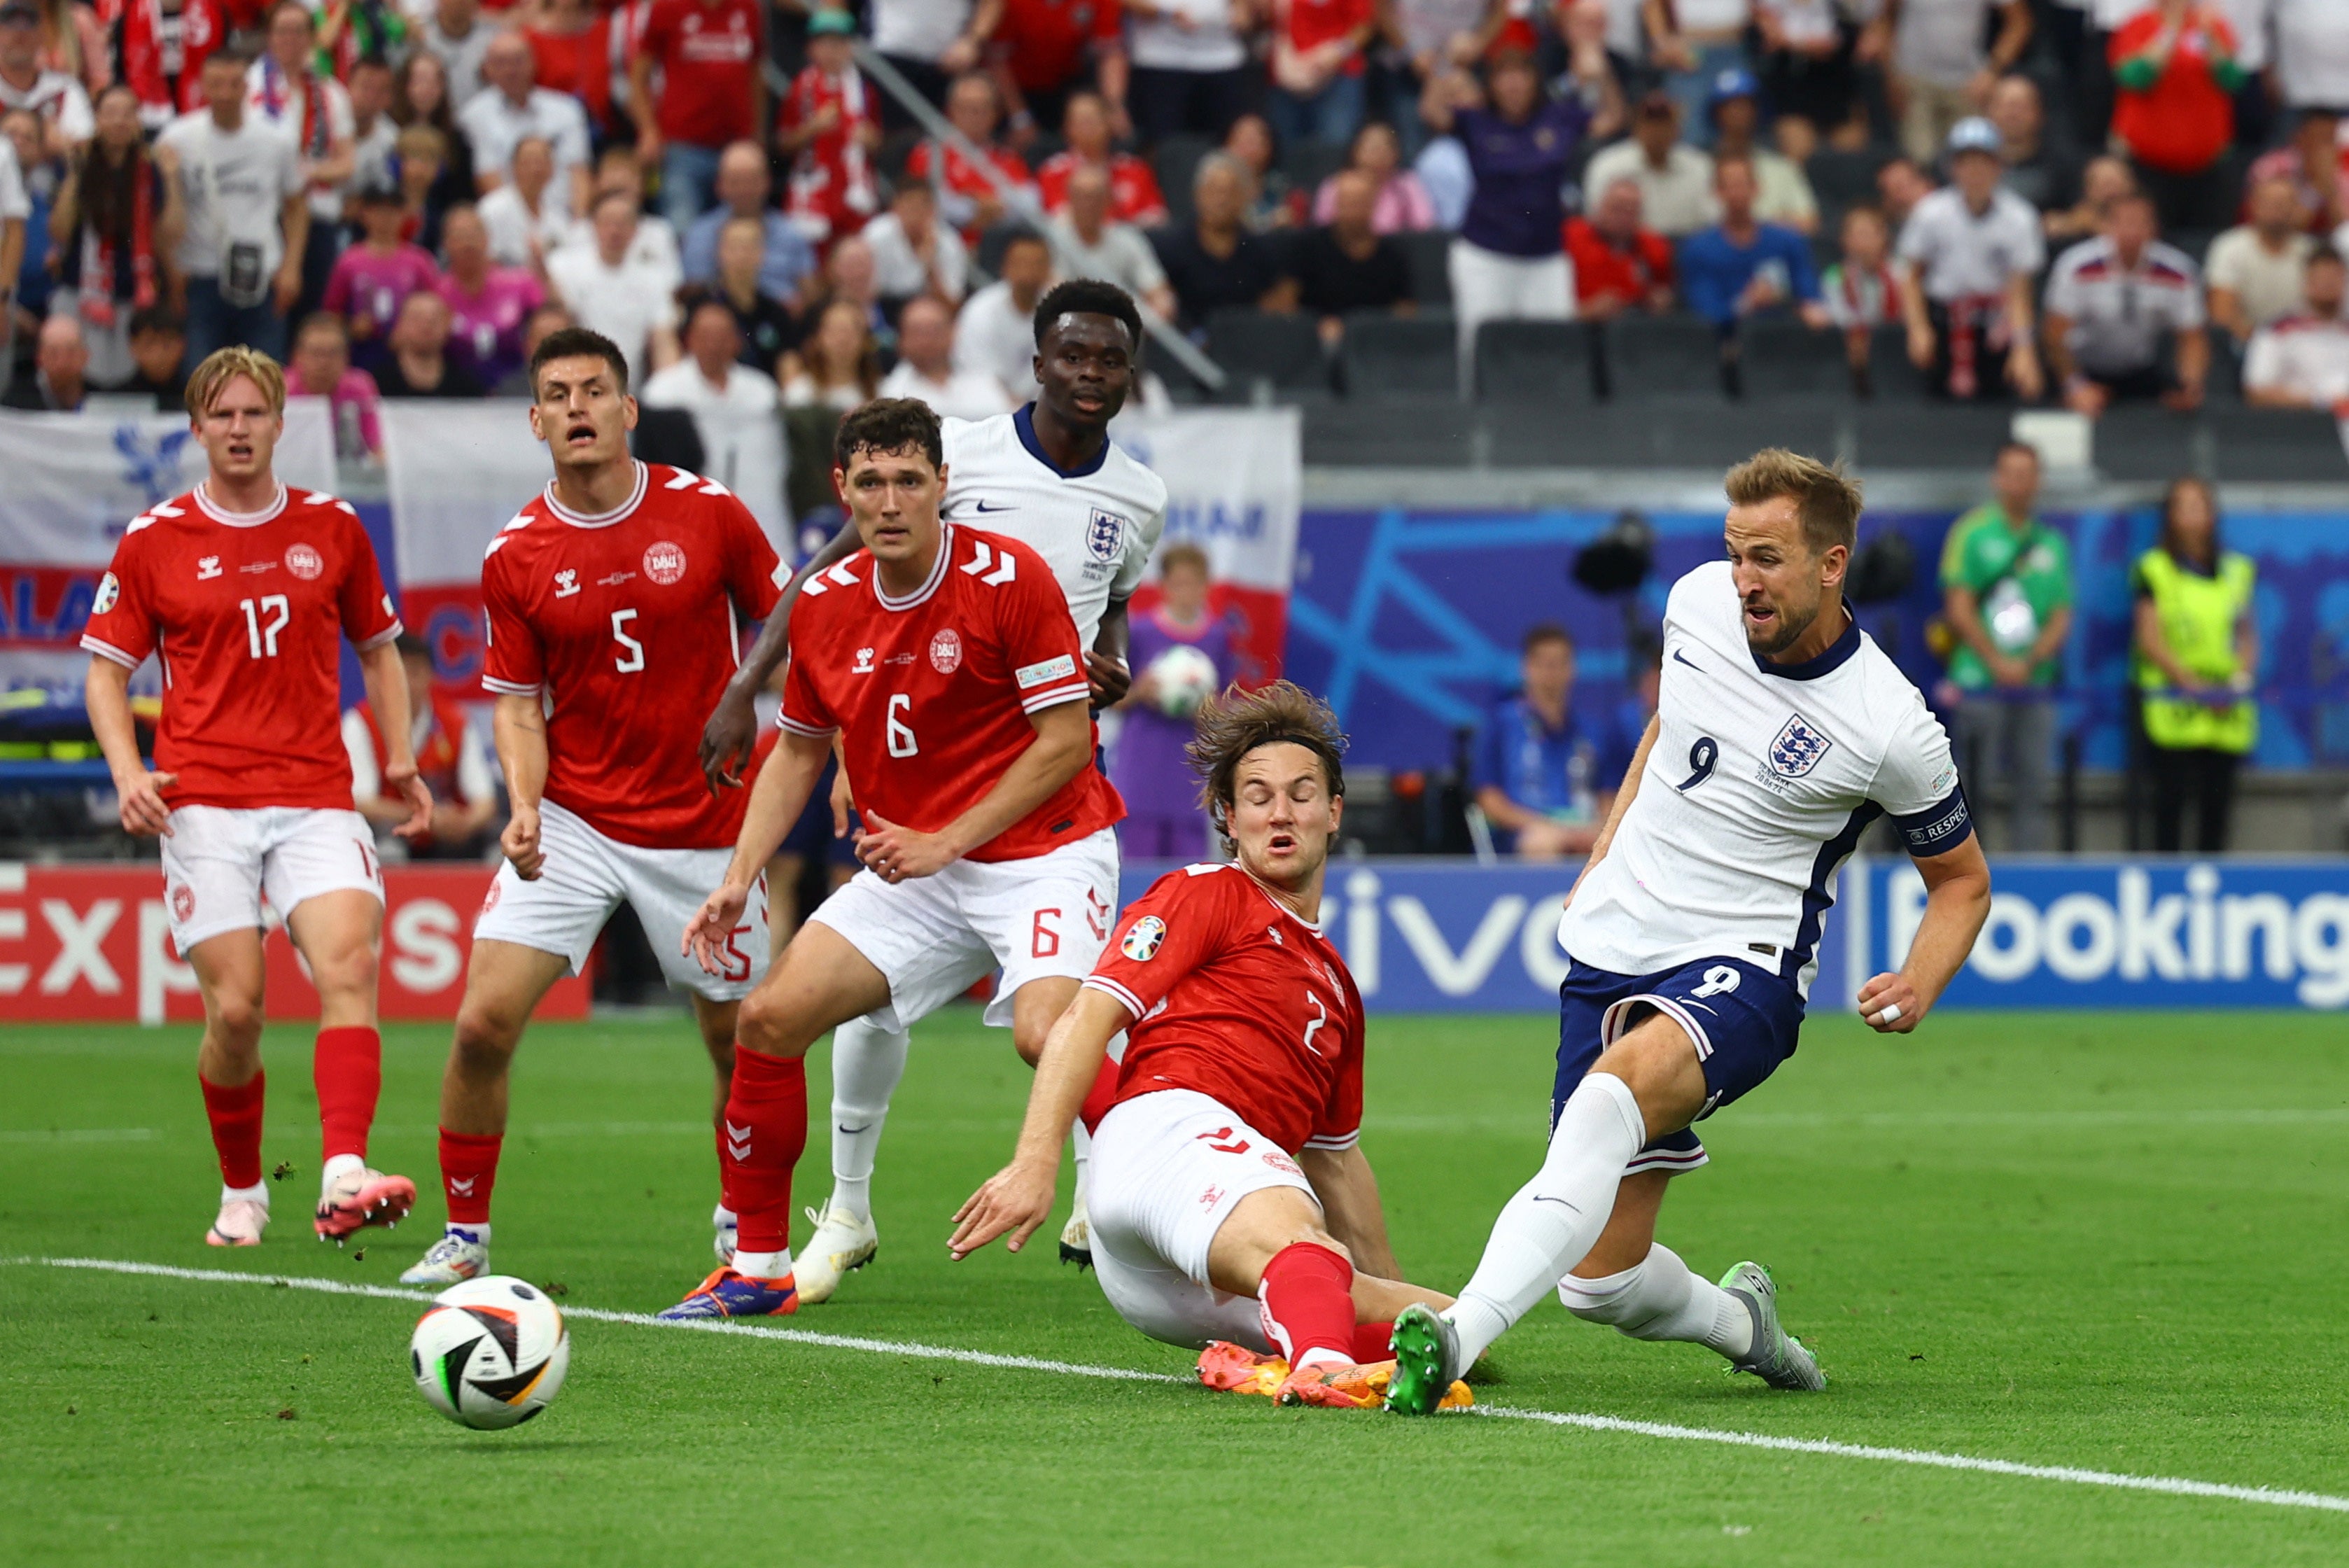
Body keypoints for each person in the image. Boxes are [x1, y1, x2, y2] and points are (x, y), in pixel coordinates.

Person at [1383, 449, 1993, 1416]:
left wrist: (1920, 979)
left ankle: (1457, 1333)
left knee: (1605, 1100)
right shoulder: (1698, 601)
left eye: (1768, 558)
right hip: (1618, 938)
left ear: (1831, 566)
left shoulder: (1891, 725)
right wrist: (1608, 840)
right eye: (1734, 552)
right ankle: (1745, 1325)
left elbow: (1961, 883)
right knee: (1600, 1282)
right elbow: (1671, 729)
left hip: (1743, 969)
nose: (1744, 578)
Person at [701, 282, 1165, 1296]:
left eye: (908, 483)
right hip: (915, 823)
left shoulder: (1088, 528)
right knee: (774, 1018)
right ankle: (767, 1257)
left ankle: (1173, 1201)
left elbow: (1105, 624)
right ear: (1035, 362)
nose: (891, 501)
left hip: (1038, 831)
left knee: (1052, 1031)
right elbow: (800, 733)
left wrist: (1114, 652)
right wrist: (740, 869)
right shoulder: (859, 566)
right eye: (872, 484)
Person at [951, 680, 1466, 1410]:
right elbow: (1085, 1016)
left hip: (1191, 1264)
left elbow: (1338, 1162)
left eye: (1300, 792)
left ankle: (1264, 1356)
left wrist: (1377, 1292)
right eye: (1256, 795)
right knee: (1303, 1244)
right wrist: (1036, 1163)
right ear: (1229, 816)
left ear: (1333, 811)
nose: (1280, 811)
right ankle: (1318, 1367)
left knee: (1458, 1330)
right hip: (1172, 1138)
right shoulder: (1208, 892)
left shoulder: (1339, 992)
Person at [396, 325, 786, 1287]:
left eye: (594, 390)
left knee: (739, 1044)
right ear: (536, 421)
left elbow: (788, 624)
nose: (577, 407)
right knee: (484, 1023)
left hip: (705, 817)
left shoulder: (711, 513)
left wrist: (748, 700)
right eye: (558, 395)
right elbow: (517, 707)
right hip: (574, 819)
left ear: (628, 410)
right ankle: (465, 1238)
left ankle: (745, 1226)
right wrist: (523, 806)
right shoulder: (516, 554)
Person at [80, 345, 433, 1252]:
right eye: (222, 415)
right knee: (236, 1011)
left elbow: (381, 649)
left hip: (317, 793)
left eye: (254, 414)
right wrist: (128, 774)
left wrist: (397, 759)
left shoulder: (334, 528)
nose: (239, 430)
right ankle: (243, 1190)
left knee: (348, 970)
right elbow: (105, 673)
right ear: (197, 428)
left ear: (281, 423)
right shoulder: (155, 538)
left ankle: (344, 1174)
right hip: (202, 801)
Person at [1937, 441, 2070, 853]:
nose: (2018, 483)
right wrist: (1996, 661)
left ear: (2038, 481)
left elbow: (2061, 615)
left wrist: (2027, 662)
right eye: (2010, 473)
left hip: (2034, 683)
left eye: (2027, 474)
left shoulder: (2051, 544)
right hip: (1980, 680)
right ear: (1997, 478)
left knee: (2033, 783)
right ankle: (1965, 875)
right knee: (1971, 784)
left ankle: (2026, 870)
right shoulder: (1971, 533)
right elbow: (1958, 607)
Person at [1420, 52, 1587, 365]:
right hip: (1486, 253)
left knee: (1556, 348)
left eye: (1521, 75)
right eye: (1504, 76)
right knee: (1481, 345)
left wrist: (1598, 72)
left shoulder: (1557, 117)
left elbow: (1611, 118)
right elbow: (1432, 113)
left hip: (1546, 256)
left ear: (1535, 82)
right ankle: (1476, 412)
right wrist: (1443, 72)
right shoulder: (1476, 121)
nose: (1513, 85)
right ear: (1491, 86)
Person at [2132, 475, 2256, 855]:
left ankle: (2212, 896)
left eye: (2198, 506)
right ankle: (2167, 895)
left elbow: (2246, 633)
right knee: (2169, 810)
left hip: (2225, 709)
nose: (2190, 516)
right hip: (2174, 705)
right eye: (2181, 507)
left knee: (2216, 813)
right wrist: (2193, 687)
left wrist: (2238, 681)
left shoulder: (2237, 570)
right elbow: (2149, 638)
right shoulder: (2155, 569)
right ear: (2169, 516)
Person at [159, 50, 307, 363]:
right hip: (200, 273)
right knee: (200, 379)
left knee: (265, 376)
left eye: (234, 84)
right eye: (216, 84)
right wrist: (173, 271)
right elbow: (164, 214)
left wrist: (291, 267)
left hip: (261, 272)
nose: (225, 93)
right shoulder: (177, 138)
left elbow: (296, 206)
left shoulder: (277, 139)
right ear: (203, 86)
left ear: (246, 87)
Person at [1894, 118, 2044, 400]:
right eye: (1967, 161)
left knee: (1998, 401)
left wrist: (2024, 348)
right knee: (1938, 403)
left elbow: (2020, 290)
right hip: (1943, 321)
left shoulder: (2020, 218)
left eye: (1984, 161)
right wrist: (1918, 328)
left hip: (1995, 325)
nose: (1975, 170)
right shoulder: (1930, 212)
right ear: (1953, 167)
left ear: (1999, 166)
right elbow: (1911, 275)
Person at [49, 85, 185, 388]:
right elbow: (59, 230)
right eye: (110, 114)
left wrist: (172, 177)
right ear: (96, 120)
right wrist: (75, 170)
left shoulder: (149, 170)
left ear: (138, 122)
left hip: (132, 293)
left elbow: (170, 234)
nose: (119, 121)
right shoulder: (80, 164)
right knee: (77, 374)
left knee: (127, 380)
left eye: (128, 114)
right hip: (80, 289)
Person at [1109, 542, 1230, 860]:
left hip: (1189, 779)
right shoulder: (1141, 631)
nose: (1186, 592)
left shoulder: (1217, 637)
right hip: (1142, 776)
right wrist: (1139, 692)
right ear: (1164, 587)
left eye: (1194, 583)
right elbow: (1111, 699)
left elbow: (1224, 708)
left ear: (1206, 587)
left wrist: (1207, 708)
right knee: (1140, 876)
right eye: (1178, 584)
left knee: (1187, 878)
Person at [1470, 623, 1630, 858]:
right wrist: (1544, 825)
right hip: (1528, 831)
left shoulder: (1593, 731)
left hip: (1584, 826)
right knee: (1541, 843)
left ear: (1572, 669)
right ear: (1527, 668)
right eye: (1544, 664)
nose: (1552, 673)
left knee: (1618, 841)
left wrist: (1599, 827)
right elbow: (1489, 799)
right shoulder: (1501, 725)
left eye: (1560, 663)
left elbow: (1608, 795)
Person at [2042, 190, 2206, 416]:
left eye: (2141, 223)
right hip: (2081, 364)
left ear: (2154, 228)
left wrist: (2191, 382)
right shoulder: (2077, 266)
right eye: (2125, 222)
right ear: (2107, 226)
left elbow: (2192, 336)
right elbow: (2054, 335)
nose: (2132, 231)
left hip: (2140, 369)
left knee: (2181, 400)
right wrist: (2075, 386)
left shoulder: (2177, 272)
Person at [643, 295, 789, 536]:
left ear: (737, 341)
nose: (714, 345)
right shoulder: (663, 392)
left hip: (761, 510)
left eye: (722, 336)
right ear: (689, 339)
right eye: (706, 336)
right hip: (689, 514)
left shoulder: (761, 391)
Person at [244, 2, 354, 319]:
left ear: (311, 37)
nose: (290, 39)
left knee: (312, 312)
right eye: (282, 31)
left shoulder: (332, 93)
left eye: (298, 31)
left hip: (317, 213)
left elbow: (347, 162)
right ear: (269, 36)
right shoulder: (247, 88)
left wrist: (306, 172)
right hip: (264, 214)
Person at [343, 634, 498, 858]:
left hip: (447, 837)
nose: (406, 683)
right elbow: (361, 802)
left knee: (499, 844)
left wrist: (465, 823)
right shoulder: (360, 723)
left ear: (430, 676)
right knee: (385, 847)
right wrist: (425, 816)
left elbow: (485, 802)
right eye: (399, 673)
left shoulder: (455, 721)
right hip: (392, 831)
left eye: (414, 673)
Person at [628, 0, 765, 236]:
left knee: (741, 233)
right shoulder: (667, 8)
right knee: (682, 228)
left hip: (736, 147)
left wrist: (757, 135)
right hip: (683, 146)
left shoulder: (748, 8)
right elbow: (638, 78)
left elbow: (755, 75)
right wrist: (649, 131)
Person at [2105, 0, 2241, 234]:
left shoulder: (2212, 26)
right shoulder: (2137, 26)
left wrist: (2211, 39)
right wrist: (2170, 31)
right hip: (2149, 168)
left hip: (2206, 167)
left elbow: (2232, 80)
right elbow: (2137, 78)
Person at [1679, 153, 1830, 335]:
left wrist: (1807, 308)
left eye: (1743, 184)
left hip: (1785, 338)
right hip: (1725, 342)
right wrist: (1747, 303)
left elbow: (1809, 293)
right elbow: (1706, 310)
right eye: (1729, 186)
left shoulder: (1788, 241)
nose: (1737, 193)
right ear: (1717, 192)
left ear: (1756, 188)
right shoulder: (1699, 249)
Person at [545, 187, 680, 383]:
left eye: (623, 224)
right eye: (607, 223)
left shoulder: (653, 279)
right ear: (594, 226)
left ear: (636, 231)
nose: (614, 231)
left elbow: (664, 342)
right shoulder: (563, 267)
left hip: (631, 390)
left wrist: (670, 387)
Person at [1873, 0, 2033, 165]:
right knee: (1920, 162)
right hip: (1914, 81)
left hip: (1967, 85)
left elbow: (2019, 23)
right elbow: (1883, 19)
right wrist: (1891, 75)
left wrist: (1992, 71)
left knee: (1971, 161)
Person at [1151, 153, 1293, 335]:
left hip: (1243, 346)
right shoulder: (1170, 248)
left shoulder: (1262, 252)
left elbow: (1277, 305)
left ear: (1245, 197)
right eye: (1213, 191)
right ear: (1197, 194)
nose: (1221, 200)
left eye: (1230, 192)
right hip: (1186, 348)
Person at [776, 10, 881, 250]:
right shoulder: (799, 91)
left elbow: (876, 141)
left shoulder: (865, 93)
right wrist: (812, 128)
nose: (832, 51)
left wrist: (872, 140)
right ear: (811, 49)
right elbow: (783, 145)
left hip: (852, 194)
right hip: (814, 193)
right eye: (824, 44)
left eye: (839, 44)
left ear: (850, 48)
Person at [460, 31, 591, 216]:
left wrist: (578, 223)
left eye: (517, 61)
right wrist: (527, 221)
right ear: (487, 69)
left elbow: (579, 172)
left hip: (564, 216)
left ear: (533, 63)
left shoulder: (566, 110)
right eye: (501, 63)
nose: (510, 70)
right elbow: (487, 177)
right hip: (509, 218)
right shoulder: (475, 115)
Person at [904, 71, 1034, 246]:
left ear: (995, 113)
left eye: (982, 108)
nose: (974, 115)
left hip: (999, 251)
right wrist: (981, 207)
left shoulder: (1009, 159)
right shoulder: (929, 153)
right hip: (946, 247)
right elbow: (931, 204)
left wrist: (974, 201)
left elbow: (1029, 205)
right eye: (965, 107)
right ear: (951, 110)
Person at [679, 140, 816, 306]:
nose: (744, 189)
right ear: (720, 186)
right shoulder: (700, 234)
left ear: (767, 182)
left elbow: (810, 294)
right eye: (735, 181)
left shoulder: (791, 234)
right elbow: (694, 293)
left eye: (751, 180)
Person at [1292, 167, 1414, 344]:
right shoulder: (1308, 247)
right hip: (1316, 343)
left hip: (1376, 344)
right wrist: (1315, 326)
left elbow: (1406, 310)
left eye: (1360, 202)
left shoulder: (1393, 254)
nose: (1353, 210)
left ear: (1374, 203)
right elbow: (1286, 306)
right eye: (1347, 202)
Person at [321, 182, 440, 363]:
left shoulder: (419, 261)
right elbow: (332, 313)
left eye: (393, 210)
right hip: (361, 352)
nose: (386, 217)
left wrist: (411, 331)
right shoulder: (349, 261)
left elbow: (437, 307)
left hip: (407, 357)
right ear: (365, 214)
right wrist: (351, 329)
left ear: (403, 214)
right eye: (379, 210)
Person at [988, 0, 1130, 150]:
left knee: (1108, 128)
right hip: (1016, 85)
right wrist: (1019, 117)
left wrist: (1114, 106)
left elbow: (1110, 53)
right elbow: (996, 60)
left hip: (1067, 80)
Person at [436, 203, 544, 391]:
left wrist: (543, 270)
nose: (467, 244)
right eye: (459, 237)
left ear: (487, 240)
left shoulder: (519, 283)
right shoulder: (437, 292)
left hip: (515, 390)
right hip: (455, 394)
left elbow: (554, 318)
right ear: (445, 244)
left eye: (474, 235)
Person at [1582, 90, 1716, 240]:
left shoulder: (1700, 166)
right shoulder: (1608, 165)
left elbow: (1714, 222)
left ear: (1677, 129)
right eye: (1650, 123)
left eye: (1664, 123)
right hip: (1630, 249)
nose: (1657, 131)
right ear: (1636, 127)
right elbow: (1594, 222)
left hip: (1688, 248)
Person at [1051, 163, 1177, 320]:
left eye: (1095, 197)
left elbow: (1158, 291)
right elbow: (1054, 293)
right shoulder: (1051, 241)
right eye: (1081, 196)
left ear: (1108, 200)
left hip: (1122, 330)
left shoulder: (1129, 239)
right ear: (1069, 198)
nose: (1088, 205)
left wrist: (1156, 314)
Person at [2206, 176, 2320, 345]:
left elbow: (2326, 309)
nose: (2277, 209)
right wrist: (2263, 347)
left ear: (2297, 207)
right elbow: (2222, 313)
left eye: (2284, 202)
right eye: (2270, 202)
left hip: (2304, 343)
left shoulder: (2312, 251)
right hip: (2246, 344)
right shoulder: (2229, 247)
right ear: (2253, 205)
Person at [1704, 66, 1818, 234]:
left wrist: (1758, 233)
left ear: (1756, 111)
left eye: (1744, 105)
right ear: (1716, 113)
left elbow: (1809, 222)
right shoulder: (1698, 166)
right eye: (1729, 106)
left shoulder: (1782, 167)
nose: (1737, 113)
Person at [1124, 0, 1251, 146]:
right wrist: (1167, 14)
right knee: (1163, 142)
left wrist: (1243, 10)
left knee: (1223, 140)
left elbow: (1245, 11)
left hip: (1221, 60)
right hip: (1161, 61)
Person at [688, 216, 799, 380]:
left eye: (749, 247)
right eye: (734, 247)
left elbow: (788, 362)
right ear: (719, 252)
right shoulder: (700, 307)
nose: (741, 255)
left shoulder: (775, 312)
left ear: (762, 253)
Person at [878, 290, 1016, 419]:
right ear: (901, 340)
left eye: (935, 330)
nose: (927, 340)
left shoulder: (986, 381)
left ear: (953, 333)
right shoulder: (888, 395)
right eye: (918, 332)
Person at [1038, 92, 1167, 228]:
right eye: (1081, 122)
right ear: (1067, 128)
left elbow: (1157, 218)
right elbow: (1056, 222)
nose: (1088, 128)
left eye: (1093, 120)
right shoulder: (1052, 173)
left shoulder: (1136, 170)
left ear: (1109, 123)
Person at [2243, 248, 2349, 410]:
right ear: (2307, 282)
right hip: (2302, 424)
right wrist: (2322, 401)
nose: (2329, 284)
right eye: (2322, 278)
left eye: (2335, 277)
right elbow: (2257, 391)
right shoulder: (2277, 331)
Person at [870, 0, 1002, 131]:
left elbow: (992, 3)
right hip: (888, 55)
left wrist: (972, 41)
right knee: (889, 139)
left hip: (946, 62)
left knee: (941, 141)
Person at [956, 226, 1053, 398]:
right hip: (988, 405)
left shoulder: (1059, 314)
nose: (1029, 271)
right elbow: (979, 376)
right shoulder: (980, 310)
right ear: (1005, 267)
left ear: (1048, 269)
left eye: (1037, 263)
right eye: (1021, 263)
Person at [1267, 0, 1375, 149]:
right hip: (1288, 75)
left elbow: (1365, 23)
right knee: (1287, 146)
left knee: (1334, 145)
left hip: (1338, 75)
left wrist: (1338, 52)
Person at [1566, 176, 1676, 319]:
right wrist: (1584, 312)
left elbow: (1664, 292)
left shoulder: (1655, 247)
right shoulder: (1569, 238)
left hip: (1633, 332)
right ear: (1598, 207)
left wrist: (1661, 301)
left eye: (1631, 211)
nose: (1624, 218)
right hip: (1578, 330)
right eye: (1617, 208)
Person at [0, 0, 92, 158]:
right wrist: (42, 143)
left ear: (42, 36)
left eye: (28, 29)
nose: (19, 36)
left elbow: (84, 143)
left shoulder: (64, 89)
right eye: (11, 28)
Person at [117, 0, 225, 133]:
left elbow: (224, 59)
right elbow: (122, 69)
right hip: (147, 109)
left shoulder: (214, 11)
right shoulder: (131, 15)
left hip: (201, 103)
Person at [286, 308, 381, 458]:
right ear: (298, 357)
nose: (324, 363)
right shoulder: (281, 390)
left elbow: (378, 448)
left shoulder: (361, 387)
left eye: (333, 354)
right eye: (316, 353)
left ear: (347, 358)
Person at [1985, 74, 2080, 223]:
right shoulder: (1966, 159)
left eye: (2020, 107)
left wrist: (2068, 221)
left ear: (2040, 114)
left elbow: (2085, 211)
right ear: (1989, 113)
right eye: (2005, 106)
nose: (2012, 114)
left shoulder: (2063, 163)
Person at [1312, 119, 1433, 234]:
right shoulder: (1335, 185)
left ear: (1396, 152)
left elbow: (1424, 227)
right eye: (1372, 148)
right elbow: (1323, 227)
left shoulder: (1408, 184)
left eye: (1385, 147)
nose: (1379, 154)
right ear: (1355, 151)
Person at [1820, 204, 1901, 373]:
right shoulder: (1834, 276)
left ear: (1884, 238)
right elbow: (1836, 316)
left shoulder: (1901, 272)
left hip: (1895, 348)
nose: (1862, 242)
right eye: (1855, 235)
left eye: (1868, 234)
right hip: (1849, 352)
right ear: (1844, 241)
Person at [864, 178, 969, 308]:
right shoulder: (876, 235)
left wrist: (929, 265)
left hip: (924, 312)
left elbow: (952, 306)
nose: (914, 214)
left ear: (933, 209)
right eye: (908, 205)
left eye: (921, 206)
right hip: (881, 306)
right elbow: (864, 291)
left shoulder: (948, 242)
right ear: (895, 208)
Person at [475, 134, 568, 272]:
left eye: (541, 162)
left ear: (552, 169)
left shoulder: (559, 217)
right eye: (528, 162)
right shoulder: (492, 209)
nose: (535, 169)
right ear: (514, 167)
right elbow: (483, 261)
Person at [374, 288, 482, 398]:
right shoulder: (376, 385)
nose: (426, 327)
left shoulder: (466, 388)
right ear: (400, 325)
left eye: (434, 320)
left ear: (447, 327)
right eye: (417, 319)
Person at [779, 293, 878, 410]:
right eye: (834, 330)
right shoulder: (799, 395)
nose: (843, 340)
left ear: (866, 339)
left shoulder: (885, 393)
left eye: (851, 330)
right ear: (817, 339)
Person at [413, 0, 491, 116]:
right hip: (431, 119)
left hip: (478, 120)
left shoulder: (491, 39)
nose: (460, 2)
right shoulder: (418, 36)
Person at [2, 309, 86, 406]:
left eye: (71, 354)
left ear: (85, 356)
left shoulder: (103, 399)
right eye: (53, 354)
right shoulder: (16, 404)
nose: (62, 363)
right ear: (40, 358)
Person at [121, 304, 188, 405]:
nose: (159, 353)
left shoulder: (198, 399)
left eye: (167, 344)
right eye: (150, 344)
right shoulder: (118, 400)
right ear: (133, 347)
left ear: (182, 345)